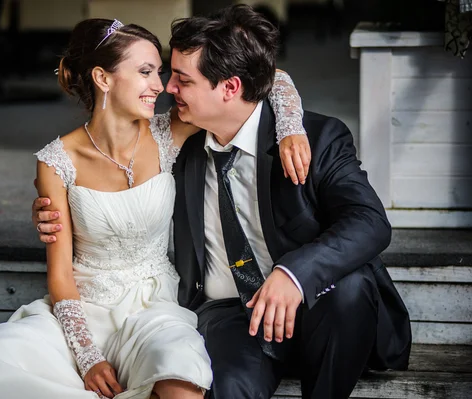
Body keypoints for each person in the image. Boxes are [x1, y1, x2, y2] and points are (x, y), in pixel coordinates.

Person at [34, 5, 413, 399]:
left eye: (181, 79)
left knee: (350, 286)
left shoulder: (315, 139)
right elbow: (111, 191)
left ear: (230, 88)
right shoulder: (183, 138)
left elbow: (370, 222)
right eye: (164, 75)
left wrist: (294, 273)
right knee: (223, 388)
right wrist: (61, 206)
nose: (168, 89)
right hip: (229, 314)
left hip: (318, 308)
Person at [0, 11, 311, 399]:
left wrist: (291, 128)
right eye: (146, 72)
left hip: (155, 307)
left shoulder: (169, 132)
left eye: (160, 72)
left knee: (181, 377)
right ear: (103, 78)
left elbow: (273, 77)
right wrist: (88, 356)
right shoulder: (55, 162)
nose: (160, 87)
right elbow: (60, 276)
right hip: (82, 308)